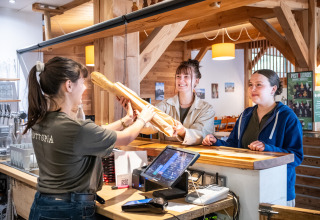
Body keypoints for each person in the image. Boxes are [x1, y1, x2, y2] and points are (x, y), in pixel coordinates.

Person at [24, 57, 155, 219]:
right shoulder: (76, 128)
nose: (85, 87)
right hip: (68, 210)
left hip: (41, 205)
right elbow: (126, 138)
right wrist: (143, 118)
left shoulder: (40, 120)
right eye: (82, 82)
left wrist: (125, 121)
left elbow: (93, 133)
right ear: (69, 85)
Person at [202, 69, 303, 207]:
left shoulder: (287, 117)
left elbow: (296, 156)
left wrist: (267, 149)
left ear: (273, 89)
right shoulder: (246, 115)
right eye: (250, 84)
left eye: (259, 85)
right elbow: (234, 145)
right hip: (247, 188)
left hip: (278, 192)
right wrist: (216, 142)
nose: (252, 89)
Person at [141, 59, 215, 145]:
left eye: (186, 76)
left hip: (196, 156)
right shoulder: (164, 106)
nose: (181, 80)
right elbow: (152, 126)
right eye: (178, 76)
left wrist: (183, 132)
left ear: (196, 81)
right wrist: (138, 120)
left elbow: (202, 134)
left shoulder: (207, 109)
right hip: (167, 155)